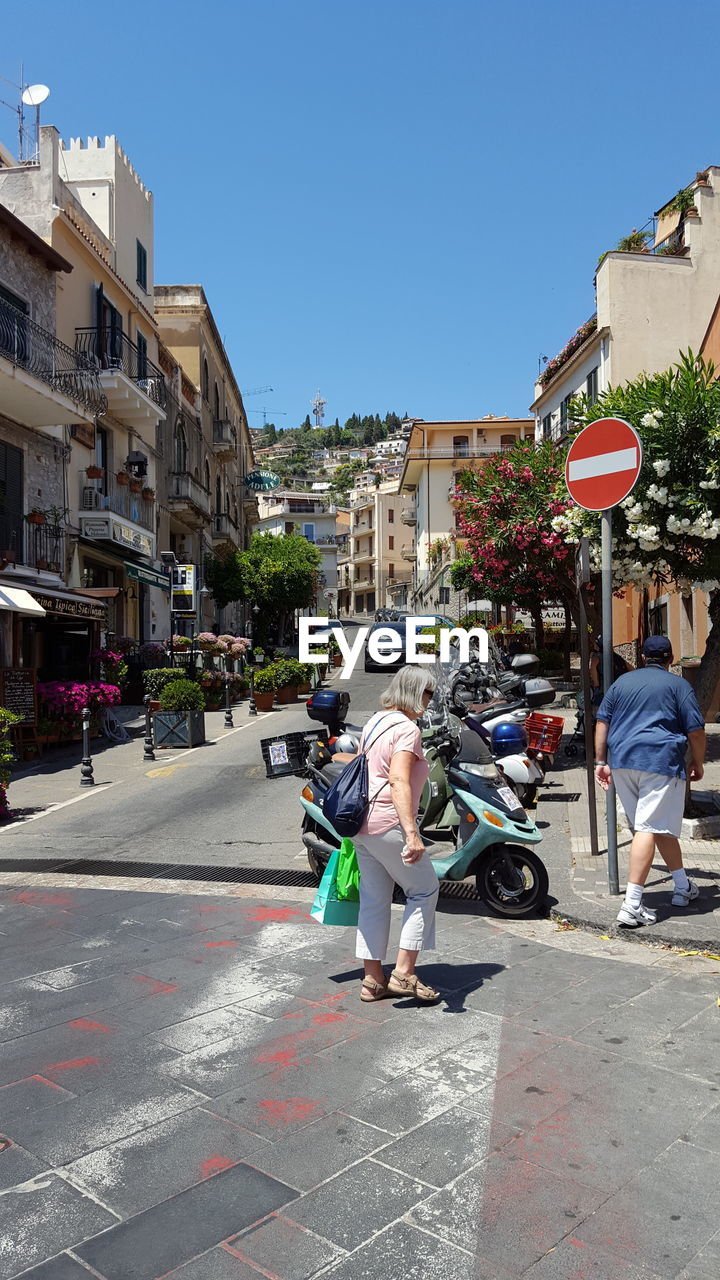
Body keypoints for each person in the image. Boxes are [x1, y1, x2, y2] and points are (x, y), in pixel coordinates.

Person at [594, 635, 705, 927]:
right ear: (670, 659)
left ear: (643, 657)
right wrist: (698, 761)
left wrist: (600, 762)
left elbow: (602, 721)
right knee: (648, 828)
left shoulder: (621, 683)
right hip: (660, 761)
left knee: (658, 827)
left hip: (622, 763)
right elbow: (695, 730)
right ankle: (632, 904)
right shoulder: (679, 685)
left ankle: (682, 887)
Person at [352, 665, 440, 1003]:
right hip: (388, 822)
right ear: (413, 692)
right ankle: (403, 973)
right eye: (427, 694)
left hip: (362, 825)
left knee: (374, 901)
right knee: (424, 889)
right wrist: (412, 833)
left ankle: (372, 981)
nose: (429, 702)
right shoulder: (406, 729)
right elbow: (398, 780)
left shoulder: (375, 720)